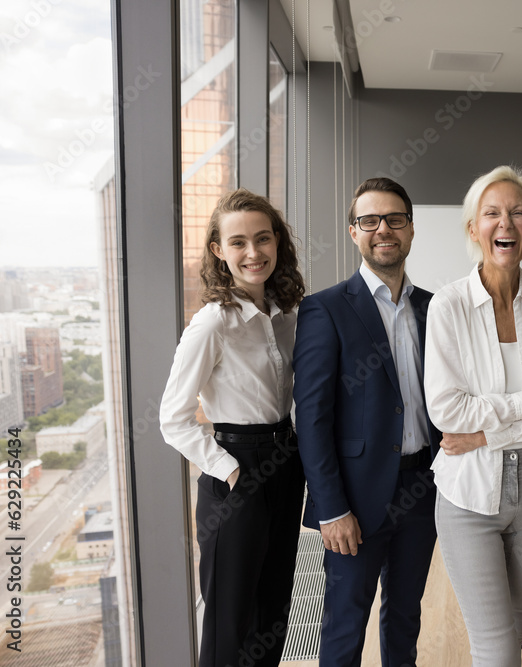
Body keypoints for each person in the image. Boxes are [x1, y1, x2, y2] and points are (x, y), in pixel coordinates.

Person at [424, 165, 522, 666]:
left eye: (517, 213)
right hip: (469, 497)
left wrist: (483, 434)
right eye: (491, 213)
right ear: (474, 229)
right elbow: (447, 411)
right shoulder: (448, 306)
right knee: (496, 647)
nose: (505, 223)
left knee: (513, 634)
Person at [293, 177, 440, 667]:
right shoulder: (325, 308)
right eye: (370, 220)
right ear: (353, 231)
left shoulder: (434, 307)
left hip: (424, 488)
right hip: (354, 499)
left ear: (411, 229)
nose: (383, 230)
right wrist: (331, 508)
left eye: (394, 219)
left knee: (405, 616)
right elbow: (311, 419)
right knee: (344, 623)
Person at [159, 188, 306, 667]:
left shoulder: (288, 315)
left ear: (277, 242)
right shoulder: (212, 324)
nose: (253, 252)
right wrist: (230, 471)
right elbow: (173, 419)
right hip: (237, 470)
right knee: (229, 625)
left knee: (273, 614)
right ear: (218, 250)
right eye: (238, 242)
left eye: (262, 239)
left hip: (286, 465)